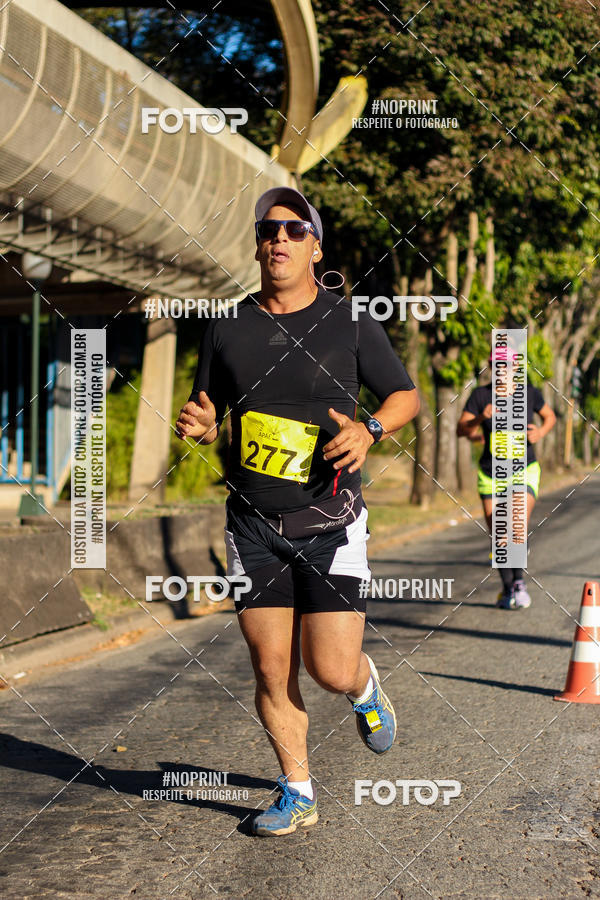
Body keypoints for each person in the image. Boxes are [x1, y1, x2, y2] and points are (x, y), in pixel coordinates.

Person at [175, 186, 419, 835]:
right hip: (253, 524)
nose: (277, 238)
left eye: (291, 228)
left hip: (331, 522)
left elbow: (404, 395)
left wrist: (368, 429)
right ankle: (298, 792)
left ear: (314, 245)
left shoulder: (348, 322)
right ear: (259, 246)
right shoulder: (227, 325)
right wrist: (200, 426)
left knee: (329, 667)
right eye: (267, 229)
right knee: (270, 665)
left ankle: (365, 689)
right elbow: (210, 412)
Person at [457, 346, 556, 609]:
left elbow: (550, 417)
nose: (503, 371)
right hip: (491, 474)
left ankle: (519, 583)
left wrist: (540, 433)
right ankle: (507, 587)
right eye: (497, 366)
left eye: (508, 366)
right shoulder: (481, 396)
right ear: (491, 367)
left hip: (525, 469)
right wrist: (481, 417)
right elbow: (461, 429)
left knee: (515, 525)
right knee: (500, 536)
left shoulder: (530, 394)